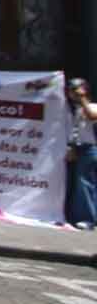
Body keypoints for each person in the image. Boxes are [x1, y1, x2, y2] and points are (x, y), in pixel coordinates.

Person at [65, 78, 97, 229]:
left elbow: (92, 116)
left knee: (85, 184)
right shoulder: (76, 110)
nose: (72, 94)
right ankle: (80, 216)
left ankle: (88, 219)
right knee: (81, 184)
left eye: (75, 90)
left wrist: (83, 98)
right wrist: (72, 147)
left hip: (90, 149)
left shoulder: (92, 106)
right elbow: (75, 132)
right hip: (79, 149)